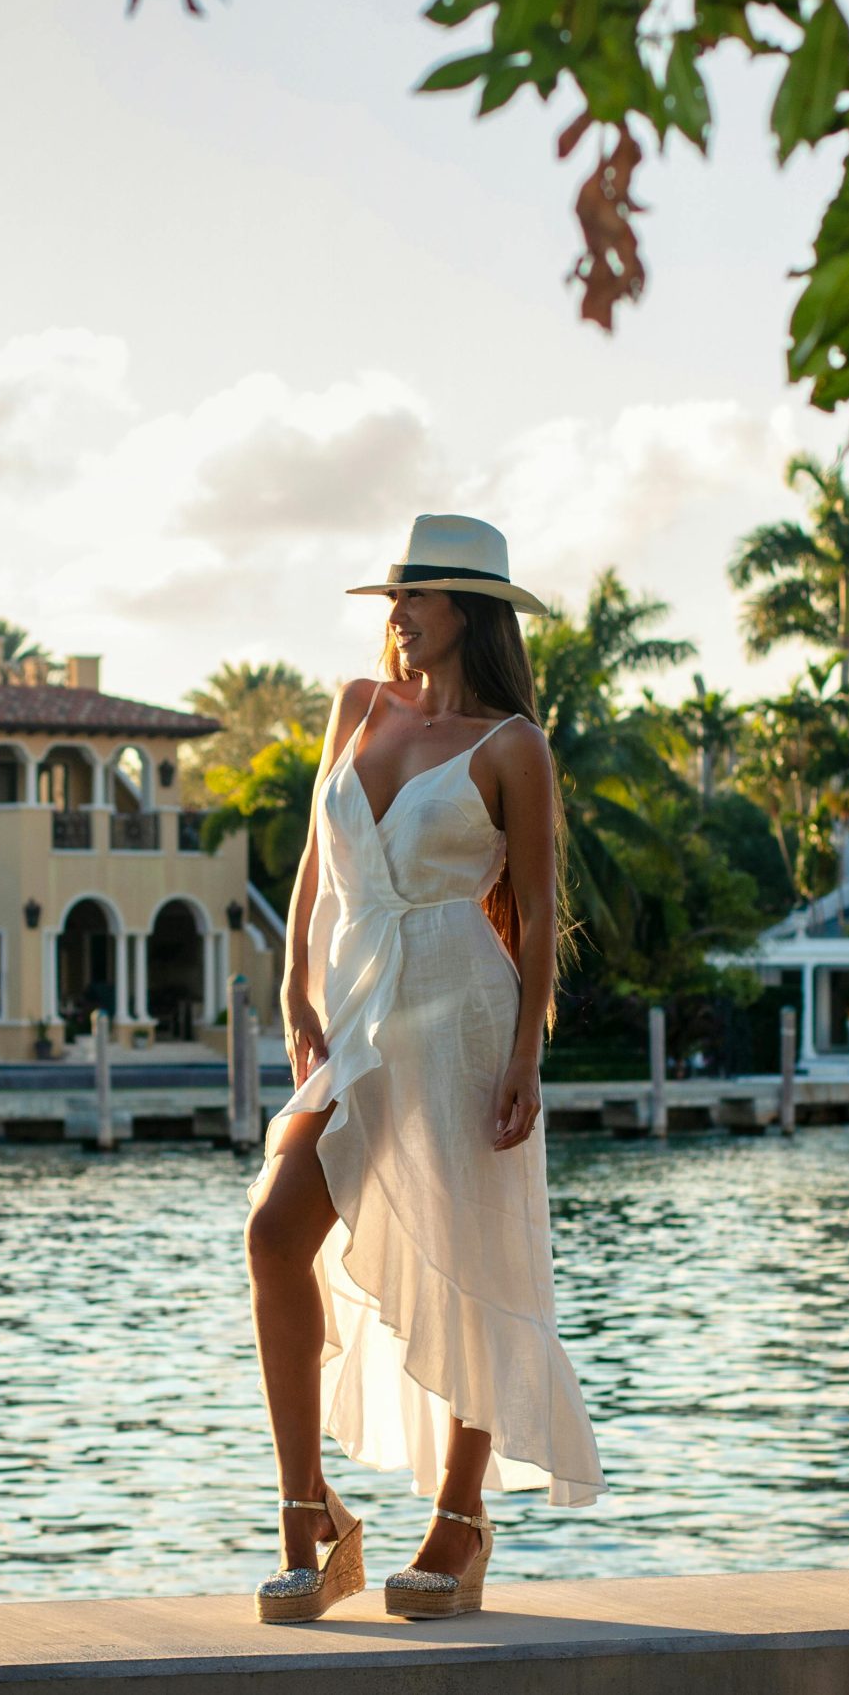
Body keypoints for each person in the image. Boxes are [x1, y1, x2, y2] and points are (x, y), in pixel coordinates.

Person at [244, 513, 605, 1624]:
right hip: (355, 1008)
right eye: (393, 595)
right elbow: (313, 861)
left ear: (468, 612)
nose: (397, 613)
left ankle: (461, 1519)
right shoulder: (358, 704)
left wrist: (523, 1055)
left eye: (419, 594)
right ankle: (307, 1507)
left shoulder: (512, 745)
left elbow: (540, 912)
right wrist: (295, 983)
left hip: (460, 1008)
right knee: (273, 1230)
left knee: (476, 1260)